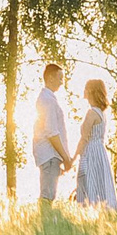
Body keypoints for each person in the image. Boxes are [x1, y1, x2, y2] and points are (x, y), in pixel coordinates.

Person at [73, 78, 117, 213]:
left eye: (86, 88)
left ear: (91, 91)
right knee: (99, 181)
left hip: (91, 151)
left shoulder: (92, 113)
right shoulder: (101, 113)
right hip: (99, 151)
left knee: (88, 180)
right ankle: (100, 210)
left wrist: (73, 158)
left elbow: (84, 138)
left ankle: (88, 210)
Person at [31, 62, 73, 203]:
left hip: (51, 155)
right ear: (50, 78)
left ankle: (46, 216)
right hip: (50, 155)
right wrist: (65, 157)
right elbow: (52, 133)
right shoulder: (48, 100)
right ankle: (44, 217)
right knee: (47, 196)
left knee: (49, 194)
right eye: (60, 78)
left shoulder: (48, 99)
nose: (62, 82)